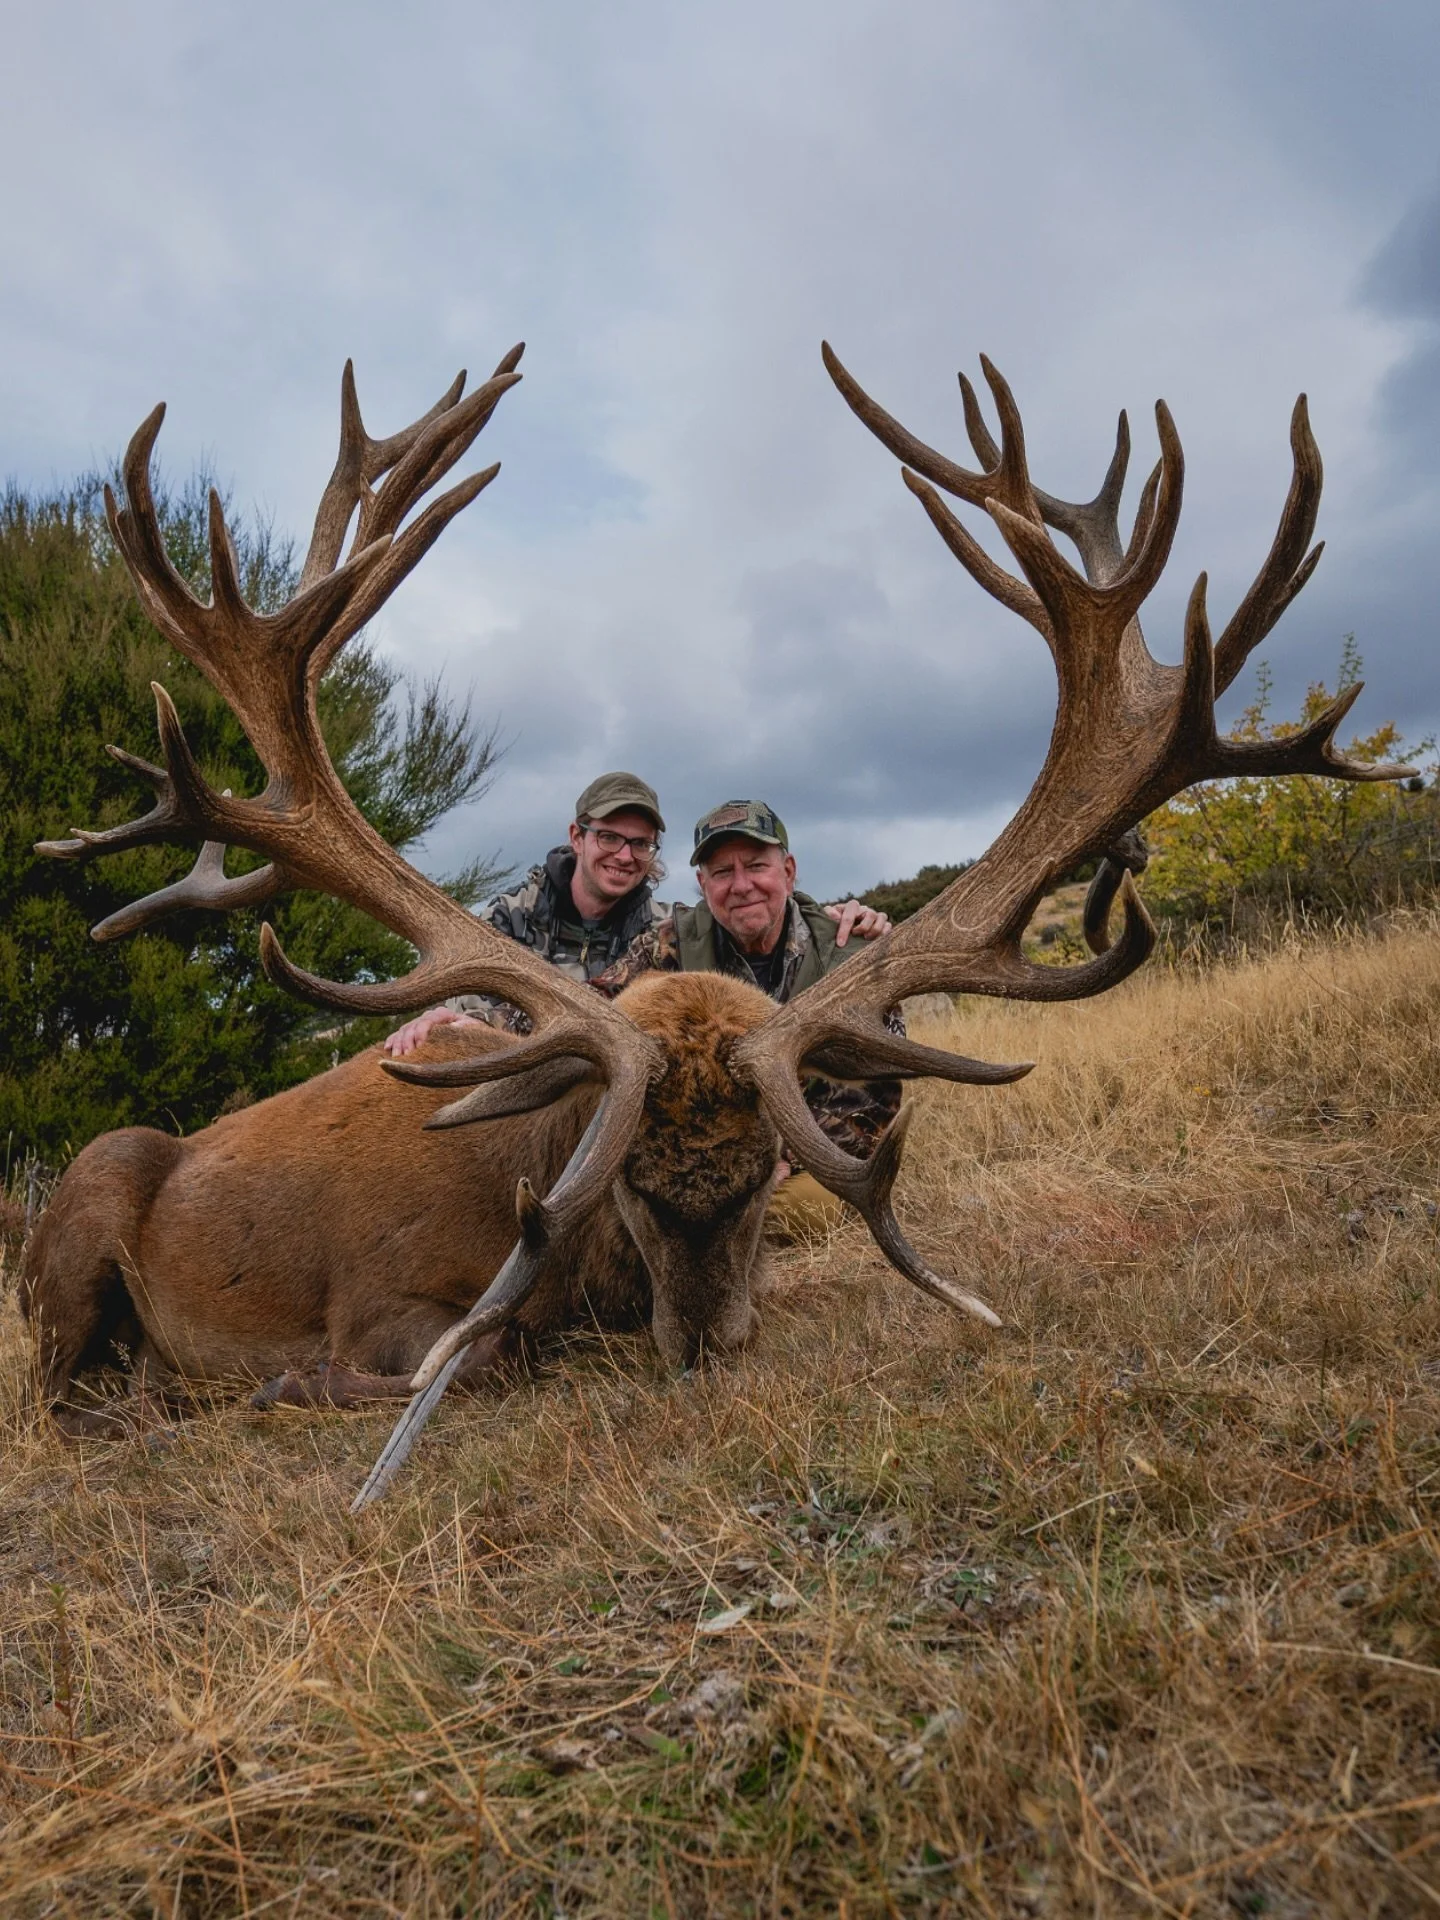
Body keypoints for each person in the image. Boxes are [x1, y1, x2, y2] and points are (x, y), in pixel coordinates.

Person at [384, 776, 891, 1056]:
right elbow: (584, 1010)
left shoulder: (665, 924)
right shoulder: (669, 941)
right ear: (577, 837)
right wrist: (462, 1024)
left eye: (641, 844)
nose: (624, 855)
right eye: (609, 837)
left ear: (789, 870)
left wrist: (850, 921)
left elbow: (879, 1067)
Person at [592, 799, 904, 1233]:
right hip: (682, 1160)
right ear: (703, 885)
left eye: (756, 866)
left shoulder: (848, 958)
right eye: (722, 873)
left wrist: (777, 1158)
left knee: (814, 1207)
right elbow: (595, 1016)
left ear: (789, 872)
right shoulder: (667, 946)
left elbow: (870, 1104)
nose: (741, 886)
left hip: (793, 1164)